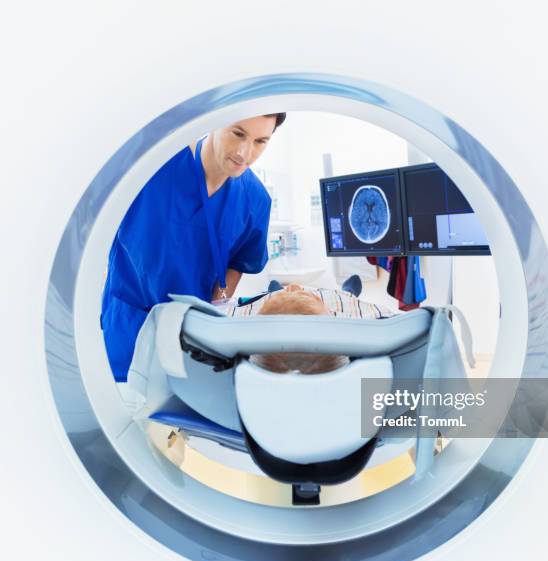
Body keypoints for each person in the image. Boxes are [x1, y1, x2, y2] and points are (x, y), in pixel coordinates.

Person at [102, 113, 286, 381]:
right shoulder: (152, 165)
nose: (245, 153)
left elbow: (241, 260)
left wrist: (216, 308)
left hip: (188, 337)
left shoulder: (255, 199)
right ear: (213, 120)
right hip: (128, 326)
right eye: (238, 133)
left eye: (260, 141)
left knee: (180, 412)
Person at [236, 275, 399, 375]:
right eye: (301, 292)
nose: (294, 286)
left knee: (275, 294)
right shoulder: (359, 321)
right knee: (345, 300)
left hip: (265, 310)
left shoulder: (242, 322)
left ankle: (274, 292)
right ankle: (348, 293)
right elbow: (387, 320)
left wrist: (277, 298)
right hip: (337, 303)